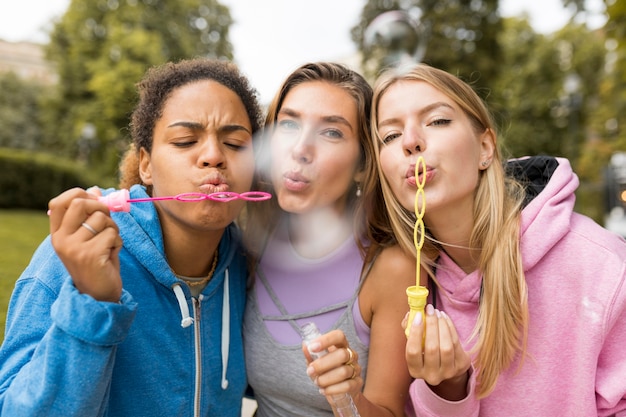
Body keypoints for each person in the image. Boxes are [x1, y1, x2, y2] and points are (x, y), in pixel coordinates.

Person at [0, 58, 264, 417]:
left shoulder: (246, 268)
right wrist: (93, 302)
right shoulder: (78, 255)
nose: (214, 156)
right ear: (146, 165)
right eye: (186, 140)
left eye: (235, 143)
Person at [368, 62, 626, 416]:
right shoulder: (412, 282)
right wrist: (449, 389)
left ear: (485, 147)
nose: (411, 142)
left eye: (437, 121)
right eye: (390, 136)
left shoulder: (600, 265)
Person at [242, 62, 415, 417]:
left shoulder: (391, 268)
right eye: (288, 124)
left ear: (364, 162)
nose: (301, 149)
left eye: (332, 133)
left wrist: (348, 396)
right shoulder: (254, 245)